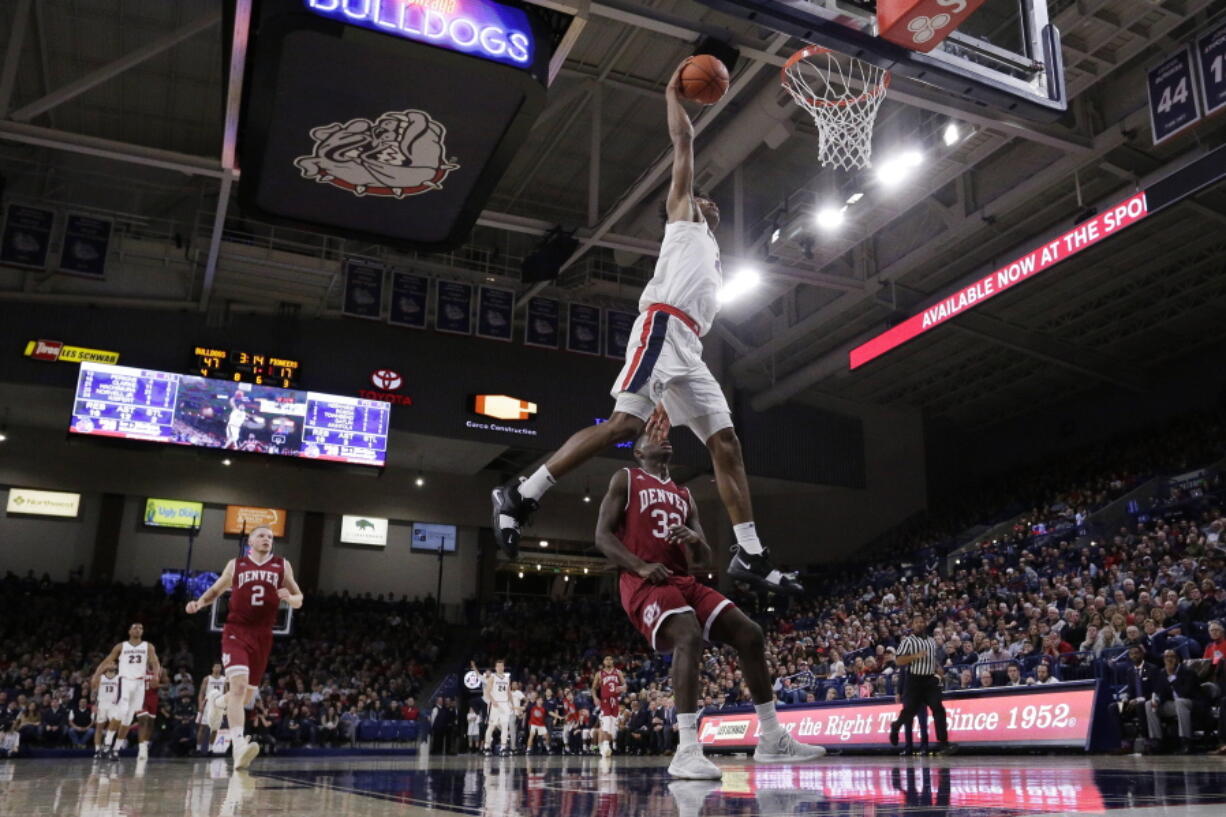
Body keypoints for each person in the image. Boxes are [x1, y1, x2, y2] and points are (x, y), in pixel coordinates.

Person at [491, 58, 798, 596]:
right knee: (622, 429)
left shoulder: (713, 258)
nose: (708, 200)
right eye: (701, 196)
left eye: (706, 200)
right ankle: (522, 493)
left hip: (689, 347)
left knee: (726, 443)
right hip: (661, 328)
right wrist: (672, 95)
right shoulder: (684, 219)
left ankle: (751, 552)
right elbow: (684, 145)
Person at [594, 413, 826, 779]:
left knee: (750, 634)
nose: (663, 436)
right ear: (638, 452)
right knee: (687, 633)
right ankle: (687, 749)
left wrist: (695, 539)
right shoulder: (625, 479)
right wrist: (638, 565)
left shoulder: (684, 494)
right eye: (653, 434)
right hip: (643, 583)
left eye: (665, 432)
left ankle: (771, 737)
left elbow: (705, 560)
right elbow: (602, 537)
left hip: (682, 580)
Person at [185, 525, 304, 770]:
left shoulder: (282, 565)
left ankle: (217, 703)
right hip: (236, 631)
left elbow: (299, 598)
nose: (266, 539)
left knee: (247, 696)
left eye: (270, 537)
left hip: (263, 635)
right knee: (238, 688)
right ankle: (238, 746)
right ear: (250, 541)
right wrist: (199, 603)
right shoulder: (236, 565)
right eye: (261, 535)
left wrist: (289, 599)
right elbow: (217, 590)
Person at [91, 622, 160, 761]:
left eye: (141, 628)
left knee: (128, 718)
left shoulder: (148, 646)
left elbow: (155, 662)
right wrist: (96, 675)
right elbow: (107, 660)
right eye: (135, 627)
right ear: (129, 631)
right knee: (121, 712)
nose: (138, 629)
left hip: (140, 684)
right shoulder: (121, 646)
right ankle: (107, 743)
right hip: (125, 681)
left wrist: (155, 675)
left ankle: (116, 749)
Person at [890, 614, 956, 755]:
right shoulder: (908, 641)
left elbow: (932, 659)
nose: (920, 624)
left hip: (930, 680)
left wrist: (938, 668)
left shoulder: (932, 641)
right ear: (912, 625)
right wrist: (915, 656)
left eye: (922, 621)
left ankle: (943, 743)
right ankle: (895, 727)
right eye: (917, 622)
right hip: (914, 680)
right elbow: (899, 661)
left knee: (938, 709)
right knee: (909, 712)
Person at [1147, 650, 1200, 753]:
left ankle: (1186, 741)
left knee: (1180, 702)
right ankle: (1156, 741)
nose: (1169, 659)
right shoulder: (1162, 673)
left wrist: (1171, 677)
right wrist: (1157, 700)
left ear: (1178, 659)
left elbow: (1185, 693)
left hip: (1191, 703)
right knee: (1149, 704)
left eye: (1172, 656)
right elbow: (1159, 692)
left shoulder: (1187, 672)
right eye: (1166, 657)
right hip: (1174, 705)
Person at [591, 656, 625, 759]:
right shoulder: (599, 674)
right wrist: (595, 698)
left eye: (610, 659)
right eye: (606, 659)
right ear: (603, 662)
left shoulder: (618, 672)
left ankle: (603, 746)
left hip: (615, 702)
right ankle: (605, 746)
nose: (608, 661)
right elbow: (593, 688)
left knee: (612, 729)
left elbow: (625, 685)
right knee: (606, 724)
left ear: (613, 661)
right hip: (605, 701)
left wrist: (622, 688)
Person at [483, 659, 513, 755]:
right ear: (496, 668)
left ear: (503, 667)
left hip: (504, 704)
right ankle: (486, 747)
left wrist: (512, 704)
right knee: (491, 726)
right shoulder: (492, 678)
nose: (500, 667)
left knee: (505, 726)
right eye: (498, 666)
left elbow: (509, 692)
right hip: (495, 704)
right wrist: (493, 701)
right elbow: (487, 692)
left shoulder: (507, 678)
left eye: (502, 666)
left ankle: (503, 747)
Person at [197, 663, 227, 754]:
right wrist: (200, 705)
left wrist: (226, 706)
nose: (217, 668)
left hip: (218, 706)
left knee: (215, 728)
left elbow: (226, 694)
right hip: (208, 705)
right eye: (216, 667)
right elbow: (201, 693)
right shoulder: (207, 679)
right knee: (202, 727)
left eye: (219, 667)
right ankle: (198, 749)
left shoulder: (224, 679)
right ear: (212, 668)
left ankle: (210, 749)